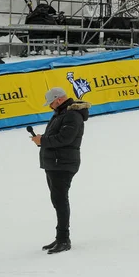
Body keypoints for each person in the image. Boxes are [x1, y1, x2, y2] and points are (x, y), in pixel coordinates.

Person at [30, 87, 90, 254]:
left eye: (50, 103)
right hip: (55, 163)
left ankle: (64, 239)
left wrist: (42, 140)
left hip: (62, 164)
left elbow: (65, 138)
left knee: (60, 200)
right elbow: (57, 136)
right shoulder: (61, 113)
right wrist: (43, 139)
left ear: (57, 100)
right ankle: (60, 238)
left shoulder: (71, 115)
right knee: (57, 200)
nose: (49, 106)